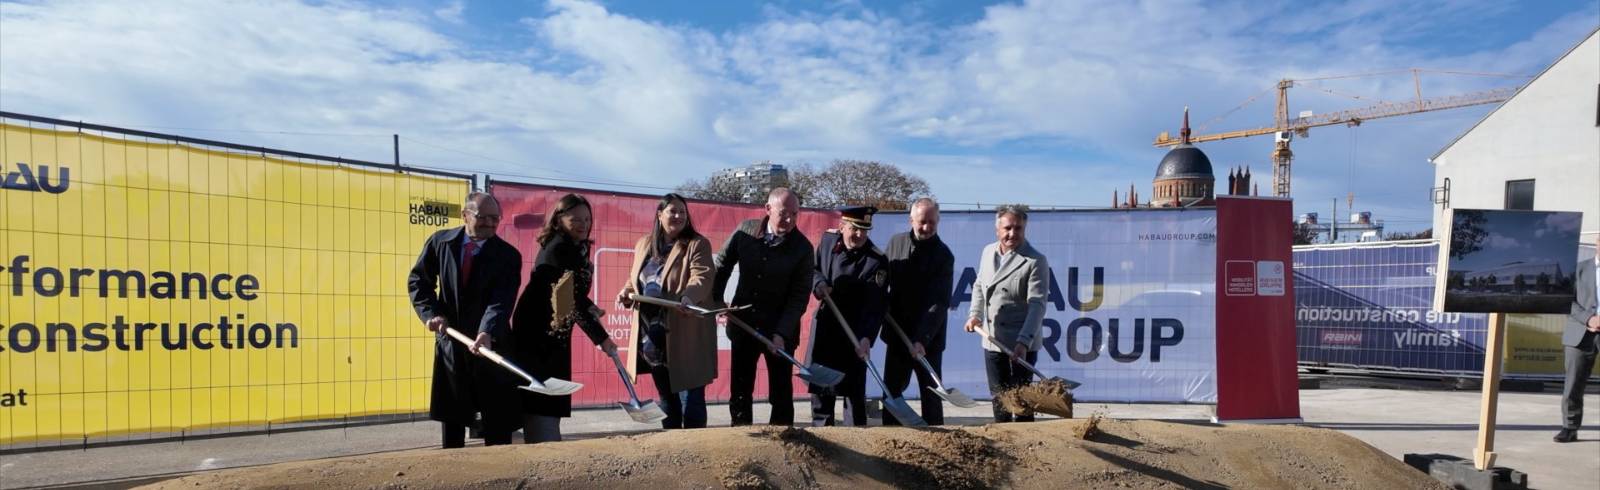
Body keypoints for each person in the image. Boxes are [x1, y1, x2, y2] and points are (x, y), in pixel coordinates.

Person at [407, 192, 523, 448]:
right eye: (483, 217)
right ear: (465, 215)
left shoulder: (508, 256)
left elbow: (501, 301)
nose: (491, 224)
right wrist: (431, 314)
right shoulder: (441, 243)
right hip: (452, 342)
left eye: (496, 218)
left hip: (491, 346)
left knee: (497, 421)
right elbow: (419, 282)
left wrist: (487, 332)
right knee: (453, 416)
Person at [511, 193, 618, 443]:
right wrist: (602, 338)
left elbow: (574, 295)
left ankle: (547, 443)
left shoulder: (573, 247)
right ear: (559, 220)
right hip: (538, 336)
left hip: (554, 333)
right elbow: (567, 298)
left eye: (587, 219)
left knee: (550, 395)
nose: (583, 224)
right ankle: (545, 450)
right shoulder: (559, 248)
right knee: (541, 395)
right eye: (576, 219)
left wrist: (590, 306)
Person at [713, 187, 815, 426]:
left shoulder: (803, 249)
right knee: (740, 388)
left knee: (780, 392)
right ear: (768, 209)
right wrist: (716, 299)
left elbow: (799, 297)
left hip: (780, 332)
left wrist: (781, 333)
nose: (789, 219)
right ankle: (741, 436)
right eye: (783, 213)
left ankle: (783, 442)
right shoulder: (745, 232)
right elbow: (722, 264)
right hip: (744, 325)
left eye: (794, 214)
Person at [617, 193, 717, 429]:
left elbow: (702, 277)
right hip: (652, 337)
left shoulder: (697, 244)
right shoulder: (643, 244)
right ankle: (674, 451)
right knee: (667, 399)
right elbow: (635, 280)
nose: (678, 216)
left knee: (691, 399)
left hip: (686, 333)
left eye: (682, 212)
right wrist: (625, 291)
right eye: (673, 211)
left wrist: (688, 297)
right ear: (659, 215)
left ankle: (697, 452)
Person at [964, 204, 1049, 423]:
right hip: (992, 339)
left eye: (1018, 228)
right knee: (999, 397)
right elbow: (979, 285)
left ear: (1024, 229)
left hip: (1021, 342)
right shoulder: (987, 251)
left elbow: (1037, 305)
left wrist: (1023, 342)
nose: (1012, 233)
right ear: (997, 230)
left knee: (1021, 402)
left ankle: (1025, 447)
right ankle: (1003, 445)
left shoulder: (1034, 260)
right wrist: (975, 315)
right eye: (1007, 228)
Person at [808, 205, 889, 426]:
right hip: (826, 326)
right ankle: (823, 440)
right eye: (855, 228)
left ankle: (856, 444)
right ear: (842, 225)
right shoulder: (827, 242)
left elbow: (876, 305)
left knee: (854, 394)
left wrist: (866, 338)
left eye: (865, 230)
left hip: (855, 331)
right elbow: (813, 270)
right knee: (821, 391)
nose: (860, 235)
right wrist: (819, 284)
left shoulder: (877, 260)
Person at [882, 198, 954, 426]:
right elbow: (882, 279)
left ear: (938, 221)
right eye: (922, 222)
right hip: (897, 332)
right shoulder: (896, 243)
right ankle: (888, 441)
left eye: (932, 222)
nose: (927, 227)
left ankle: (939, 443)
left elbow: (939, 302)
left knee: (931, 395)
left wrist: (922, 339)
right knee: (892, 392)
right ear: (911, 219)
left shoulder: (943, 255)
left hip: (928, 340)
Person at [1556, 233, 1600, 443]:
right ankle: (1569, 427)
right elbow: (1566, 301)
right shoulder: (1578, 269)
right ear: (1597, 243)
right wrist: (1589, 318)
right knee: (1573, 384)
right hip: (1581, 333)